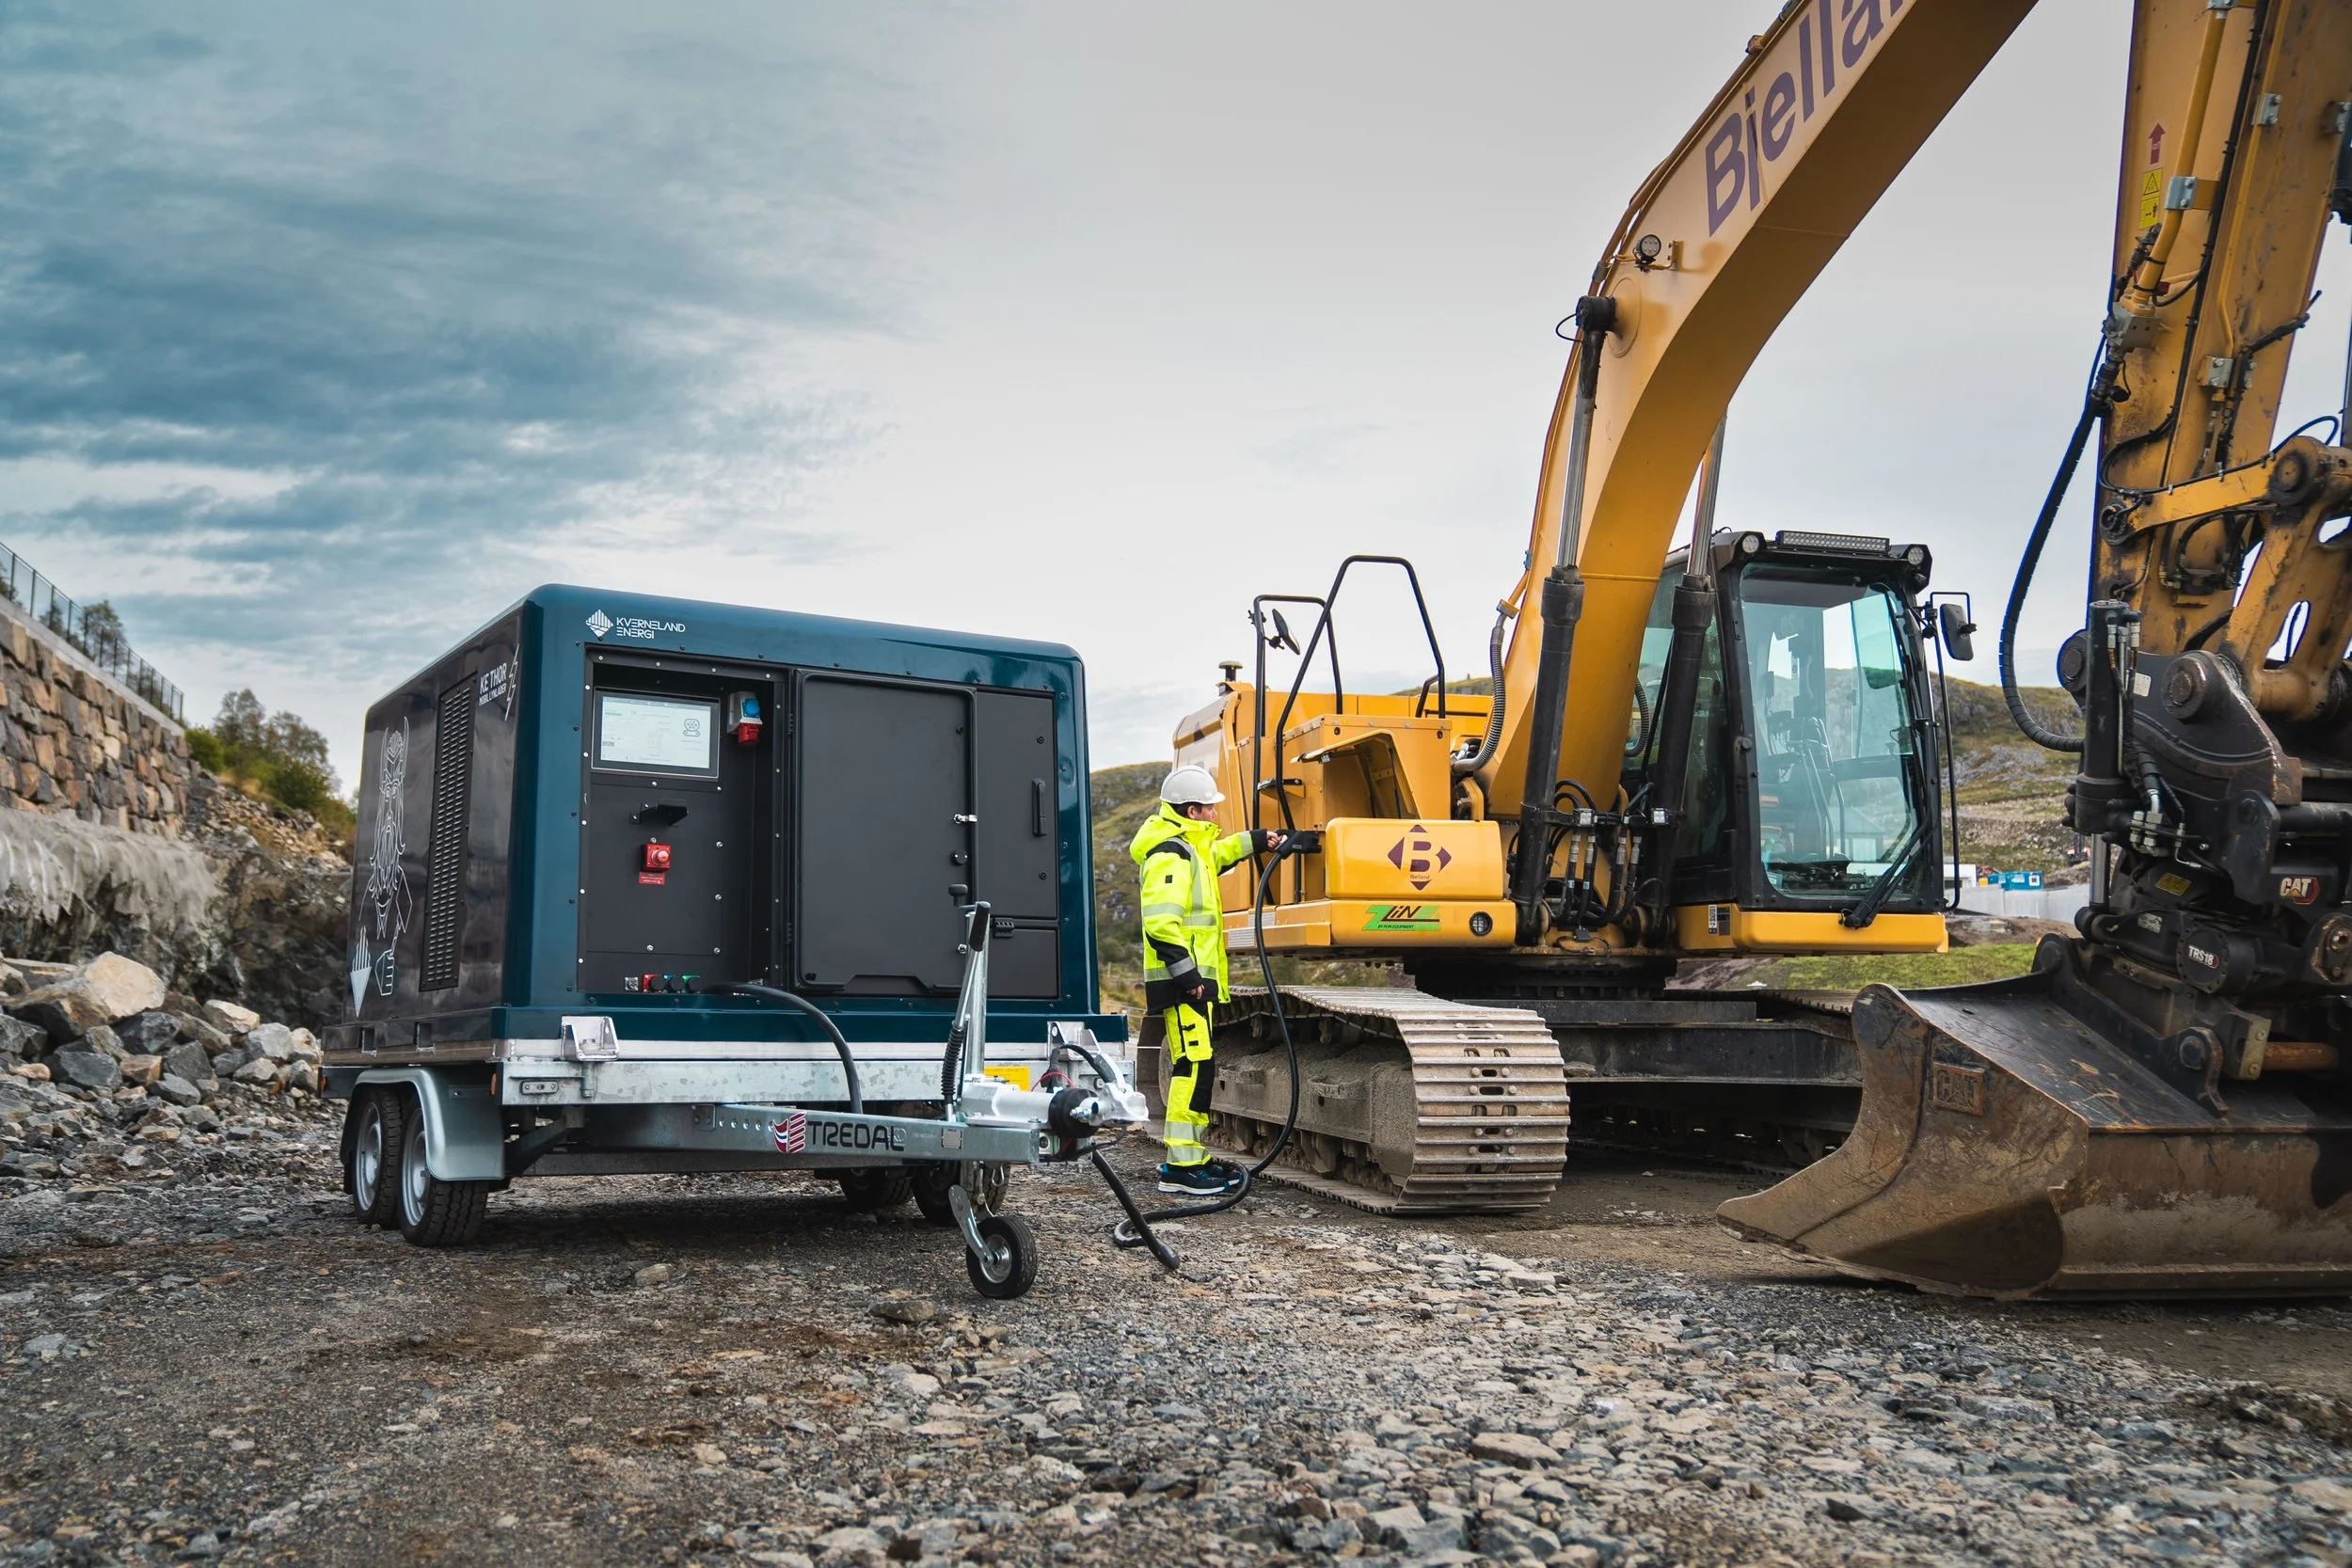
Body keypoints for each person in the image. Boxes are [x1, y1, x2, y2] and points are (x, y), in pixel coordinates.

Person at [1129, 764, 1283, 1195]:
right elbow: (1161, 923)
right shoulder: (1170, 854)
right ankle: (1181, 1167)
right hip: (1184, 984)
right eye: (1211, 809)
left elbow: (1216, 855)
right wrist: (1188, 976)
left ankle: (1189, 1156)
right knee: (1191, 1065)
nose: (1216, 815)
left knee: (1197, 1064)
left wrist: (1256, 841)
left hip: (1191, 982)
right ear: (1193, 811)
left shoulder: (1189, 849)